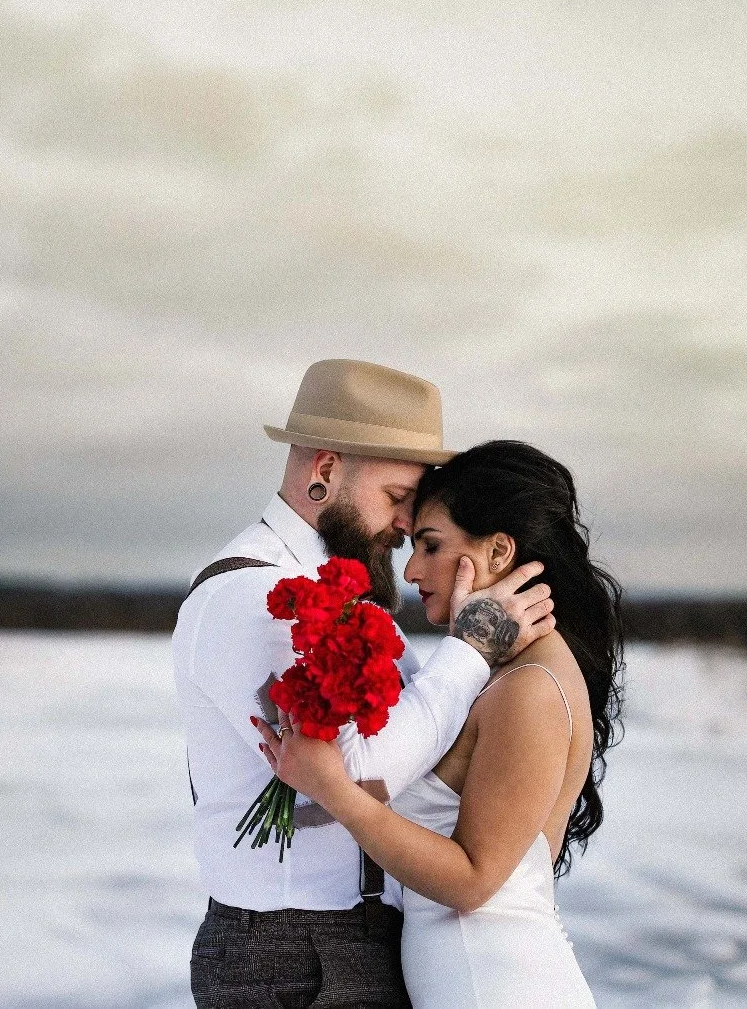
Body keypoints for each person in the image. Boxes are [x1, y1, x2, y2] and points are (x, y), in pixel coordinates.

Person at [172, 360, 556, 1008]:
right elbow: (362, 772)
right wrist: (470, 650)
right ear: (324, 472)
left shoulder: (342, 589)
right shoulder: (260, 597)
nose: (407, 524)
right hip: (300, 955)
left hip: (337, 946)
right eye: (397, 497)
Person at [256, 440, 624, 1007]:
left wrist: (334, 791)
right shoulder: (502, 673)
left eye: (431, 546)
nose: (410, 568)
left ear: (498, 551)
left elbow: (475, 882)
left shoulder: (529, 688)